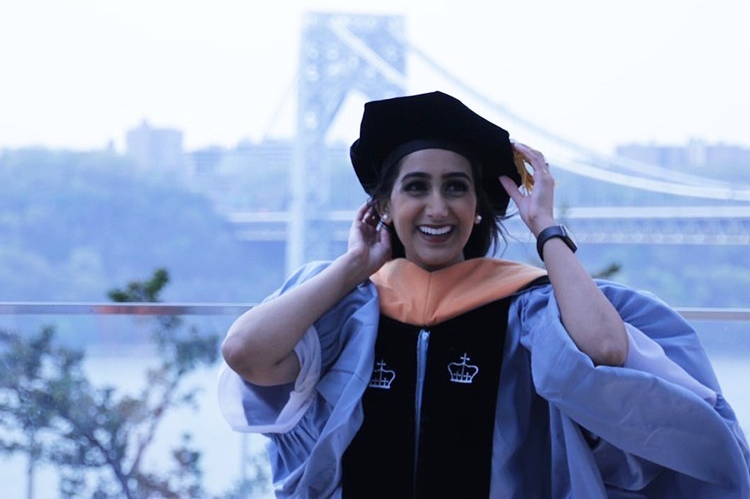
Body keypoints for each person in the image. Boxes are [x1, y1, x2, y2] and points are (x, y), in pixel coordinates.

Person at [218, 91, 750, 498]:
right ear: (383, 204)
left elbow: (606, 352)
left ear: (478, 208)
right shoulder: (350, 307)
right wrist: (355, 265)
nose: (437, 207)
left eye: (456, 187)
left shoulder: (526, 308)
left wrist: (546, 229)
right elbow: (245, 353)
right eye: (416, 186)